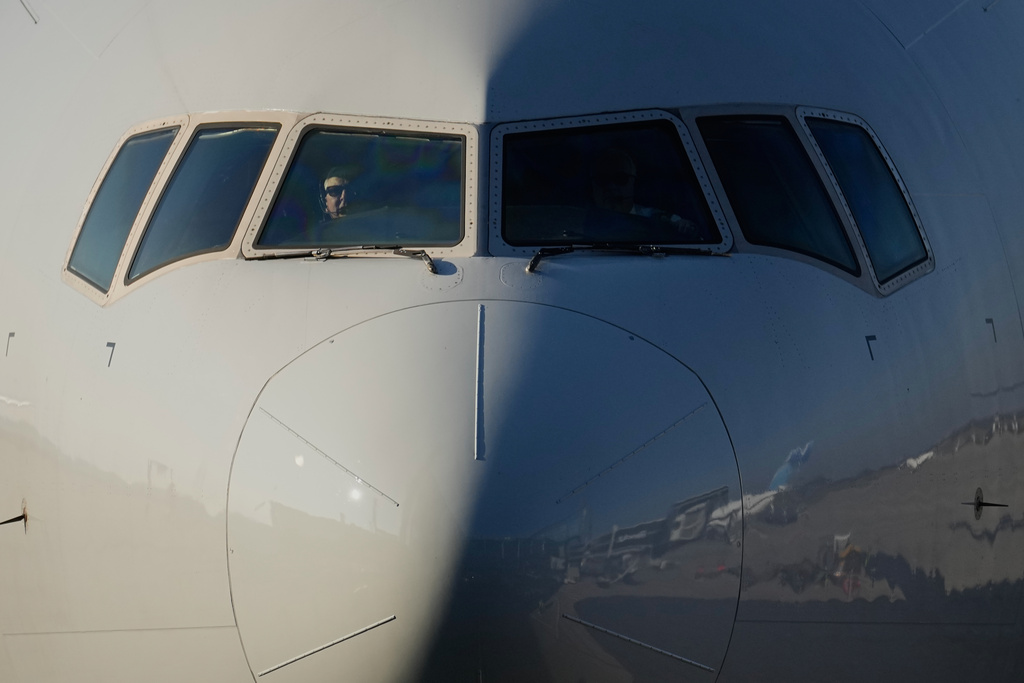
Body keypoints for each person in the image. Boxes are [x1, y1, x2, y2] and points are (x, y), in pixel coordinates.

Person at [589, 149, 700, 239]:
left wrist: (684, 226)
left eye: (620, 179)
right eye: (602, 179)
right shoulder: (578, 217)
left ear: (634, 183)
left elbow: (682, 225)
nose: (611, 187)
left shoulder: (654, 216)